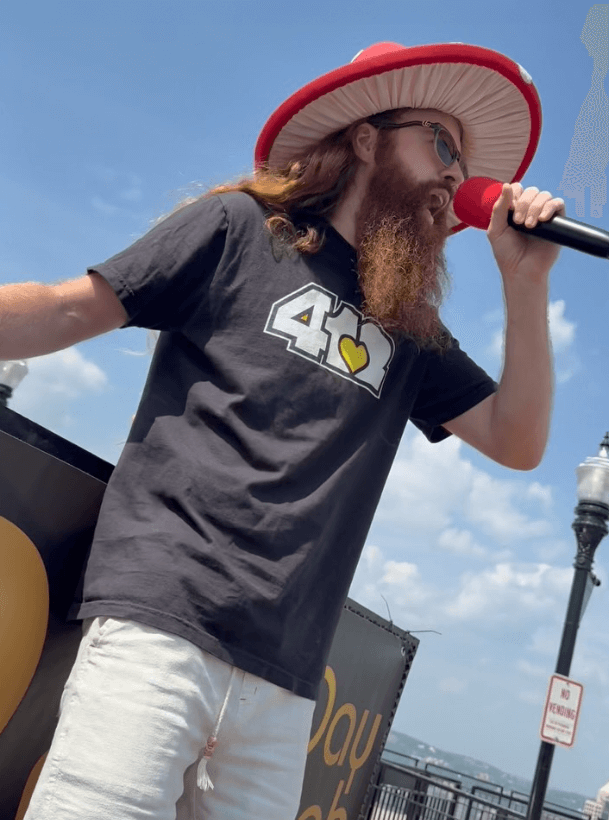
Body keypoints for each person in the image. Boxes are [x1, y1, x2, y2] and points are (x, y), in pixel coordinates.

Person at [13, 41, 565, 820]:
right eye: (440, 141)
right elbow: (71, 306)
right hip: (159, 632)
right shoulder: (238, 228)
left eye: (463, 157)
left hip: (284, 683)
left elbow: (519, 441)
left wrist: (525, 281)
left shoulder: (410, 329)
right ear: (367, 138)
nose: (454, 173)